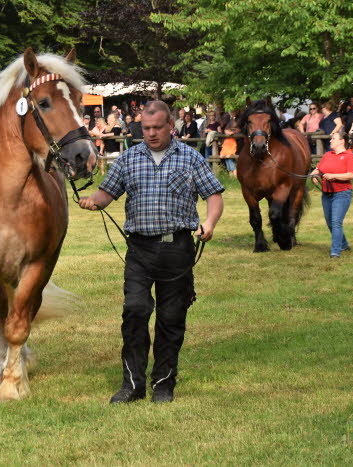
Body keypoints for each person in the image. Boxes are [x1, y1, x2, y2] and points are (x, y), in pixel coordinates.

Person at [78, 101, 224, 404]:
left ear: (170, 125)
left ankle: (163, 384)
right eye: (146, 128)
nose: (152, 133)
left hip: (178, 249)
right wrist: (94, 200)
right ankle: (132, 385)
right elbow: (107, 194)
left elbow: (214, 195)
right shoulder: (129, 159)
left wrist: (209, 223)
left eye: (157, 128)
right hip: (139, 250)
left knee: (171, 318)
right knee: (134, 311)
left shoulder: (190, 157)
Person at [310, 133, 353, 258]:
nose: (330, 141)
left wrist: (333, 176)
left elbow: (351, 175)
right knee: (330, 222)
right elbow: (319, 169)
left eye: (333, 138)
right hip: (327, 193)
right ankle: (344, 244)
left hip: (342, 193)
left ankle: (335, 251)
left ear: (342, 141)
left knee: (336, 222)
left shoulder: (349, 156)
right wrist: (314, 174)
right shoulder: (327, 155)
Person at [219, 109, 240, 177]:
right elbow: (225, 130)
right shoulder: (230, 120)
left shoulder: (238, 120)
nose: (232, 113)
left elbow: (238, 130)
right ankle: (231, 175)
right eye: (231, 112)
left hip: (233, 141)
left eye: (233, 112)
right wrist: (228, 132)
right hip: (227, 141)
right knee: (226, 157)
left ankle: (235, 174)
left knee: (230, 157)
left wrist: (232, 132)